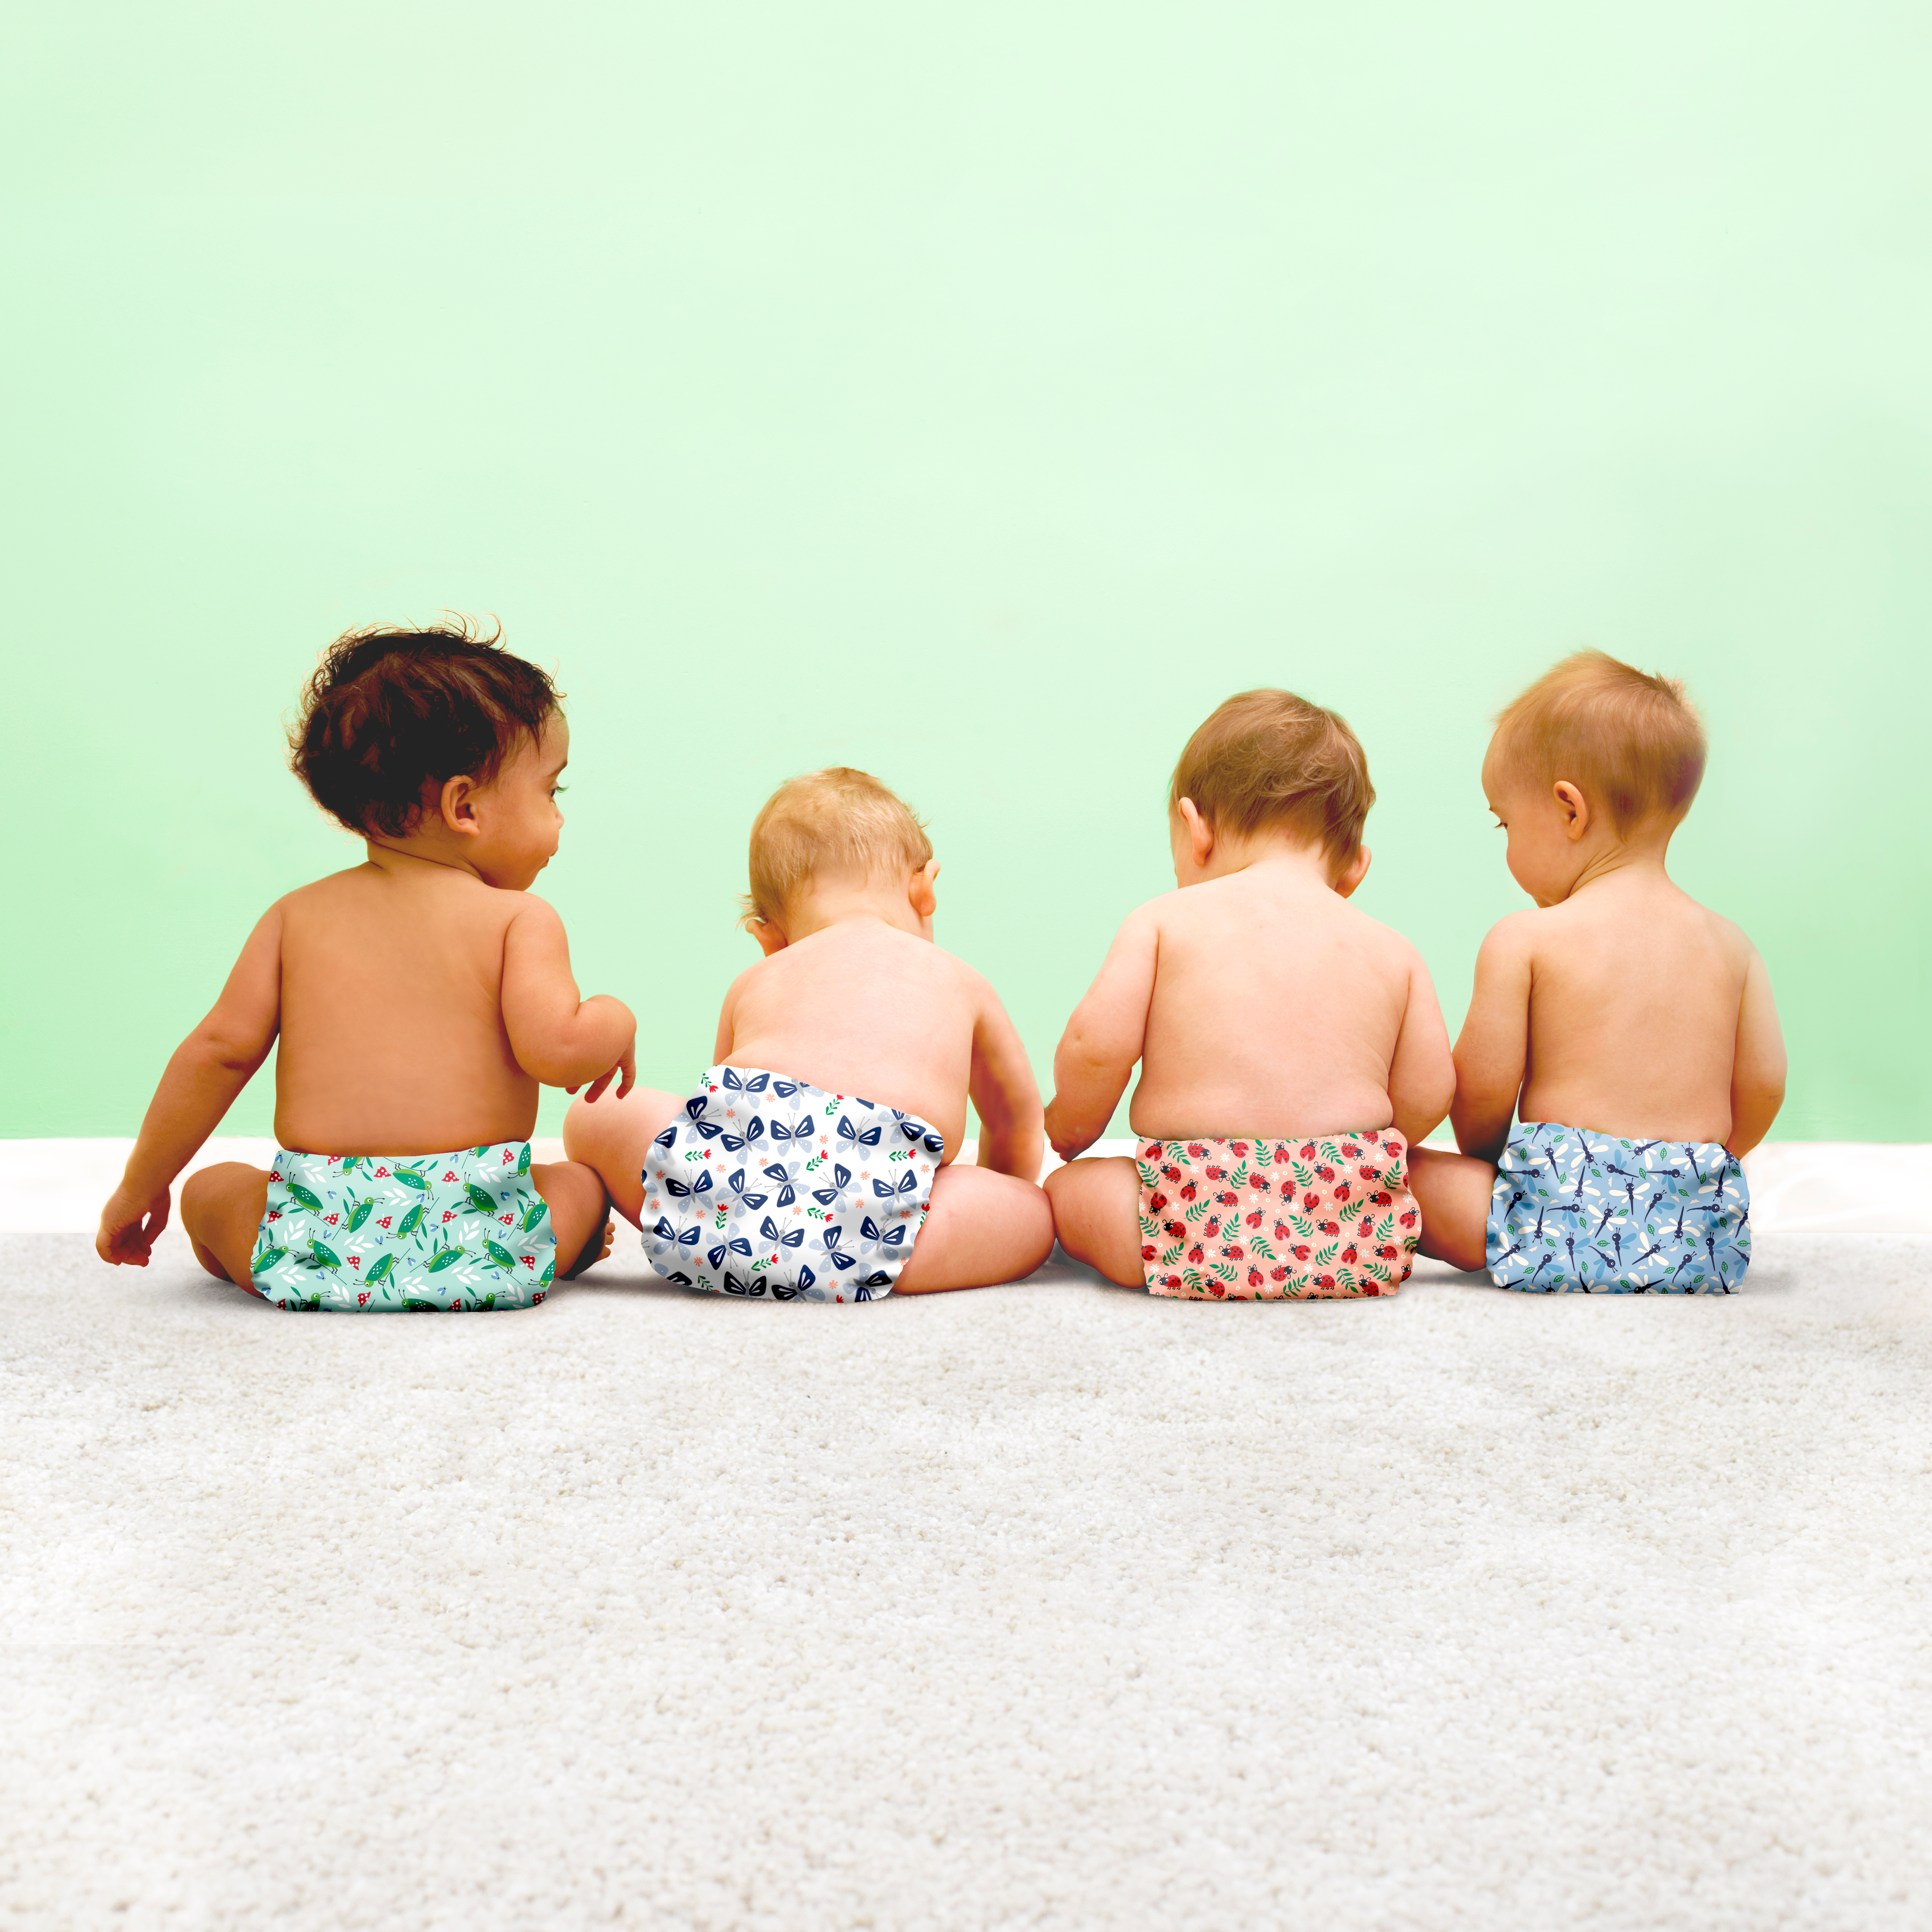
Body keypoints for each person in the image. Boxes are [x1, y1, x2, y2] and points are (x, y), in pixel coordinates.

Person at [95, 622, 634, 1310]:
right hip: (479, 1244)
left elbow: (219, 1051)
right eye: (552, 792)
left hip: (313, 1239)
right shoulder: (518, 921)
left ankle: (274, 1267)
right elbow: (560, 1055)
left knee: (213, 1188)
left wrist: (140, 1187)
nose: (558, 819)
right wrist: (615, 1020)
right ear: (463, 806)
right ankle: (557, 1251)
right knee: (580, 1185)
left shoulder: (295, 917)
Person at [566, 768, 1053, 1299]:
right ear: (925, 889)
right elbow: (1013, 1121)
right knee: (1035, 1215)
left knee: (596, 1113)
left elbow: (711, 1115)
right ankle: (884, 1263)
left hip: (719, 1225)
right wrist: (998, 1190)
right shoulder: (962, 981)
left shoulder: (755, 979)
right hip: (874, 1237)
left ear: (767, 936)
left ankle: (598, 1224)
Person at [1044, 689, 1454, 1298]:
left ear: (1195, 829)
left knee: (1072, 1190)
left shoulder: (1162, 922)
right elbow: (1428, 1093)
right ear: (1354, 869)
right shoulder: (1393, 950)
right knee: (1419, 1179)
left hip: (1189, 1224)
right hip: (1348, 1229)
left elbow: (1095, 1047)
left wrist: (1071, 1127)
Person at [1407, 650, 1786, 1292]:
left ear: (1568, 811)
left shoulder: (1525, 939)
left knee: (1395, 1168)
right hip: (1694, 1241)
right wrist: (1686, 1169)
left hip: (1553, 1223)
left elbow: (1479, 1098)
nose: (1505, 843)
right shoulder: (1731, 947)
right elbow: (1763, 1086)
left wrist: (1500, 1172)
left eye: (1505, 821)